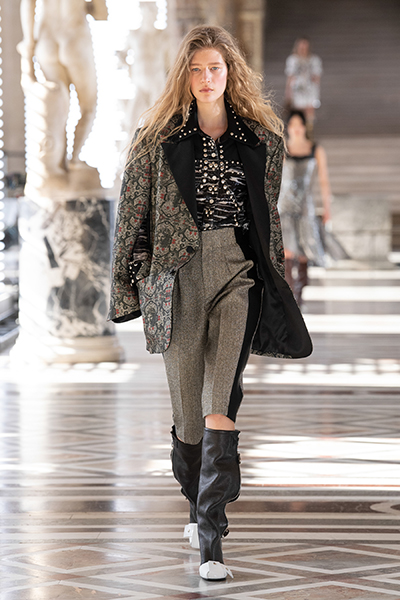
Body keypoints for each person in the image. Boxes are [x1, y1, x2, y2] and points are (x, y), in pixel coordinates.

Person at [108, 26, 312, 581]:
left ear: (230, 73)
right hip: (175, 277)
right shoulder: (156, 139)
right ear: (185, 75)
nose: (205, 78)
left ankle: (212, 537)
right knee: (188, 419)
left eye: (215, 68)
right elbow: (131, 215)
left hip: (236, 274)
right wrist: (132, 282)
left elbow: (267, 218)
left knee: (220, 402)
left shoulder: (261, 140)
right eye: (196, 69)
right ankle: (196, 502)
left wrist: (275, 280)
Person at [278, 110, 332, 306]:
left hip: (305, 207)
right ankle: (290, 300)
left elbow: (324, 180)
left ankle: (300, 294)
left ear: (304, 127)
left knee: (303, 252)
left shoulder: (315, 149)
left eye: (299, 125)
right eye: (292, 125)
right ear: (288, 128)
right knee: (287, 252)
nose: (296, 129)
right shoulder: (282, 148)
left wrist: (327, 208)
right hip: (284, 207)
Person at [284, 37, 322, 134]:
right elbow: (290, 77)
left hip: (310, 90)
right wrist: (288, 93)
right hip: (297, 90)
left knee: (309, 112)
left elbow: (317, 77)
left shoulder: (314, 60)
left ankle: (309, 133)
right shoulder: (292, 60)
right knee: (298, 112)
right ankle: (299, 132)